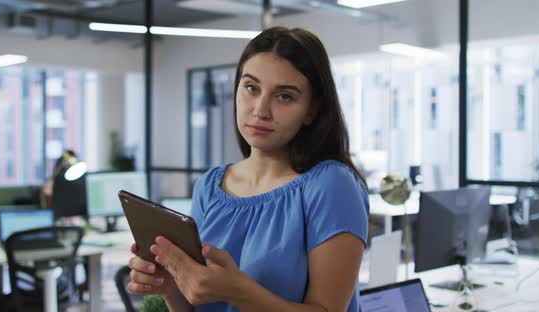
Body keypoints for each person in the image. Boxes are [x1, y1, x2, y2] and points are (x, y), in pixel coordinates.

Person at [128, 27, 370, 312]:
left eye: (285, 97)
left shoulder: (331, 184)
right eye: (251, 88)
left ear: (312, 110)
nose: (260, 110)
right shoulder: (209, 186)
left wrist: (239, 292)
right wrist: (172, 287)